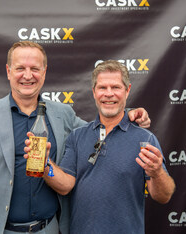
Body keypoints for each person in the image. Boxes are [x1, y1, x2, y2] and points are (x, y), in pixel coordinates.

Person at [0, 41, 151, 234]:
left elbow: (98, 131)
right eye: (20, 68)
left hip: (48, 229)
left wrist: (127, 113)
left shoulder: (62, 113)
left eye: (35, 69)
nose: (28, 75)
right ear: (9, 71)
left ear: (44, 72)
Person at [25, 60, 175, 234]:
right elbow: (65, 185)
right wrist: (45, 166)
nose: (109, 94)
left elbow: (164, 196)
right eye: (102, 88)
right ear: (94, 92)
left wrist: (157, 173)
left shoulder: (145, 139)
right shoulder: (77, 136)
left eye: (116, 87)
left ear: (127, 90)